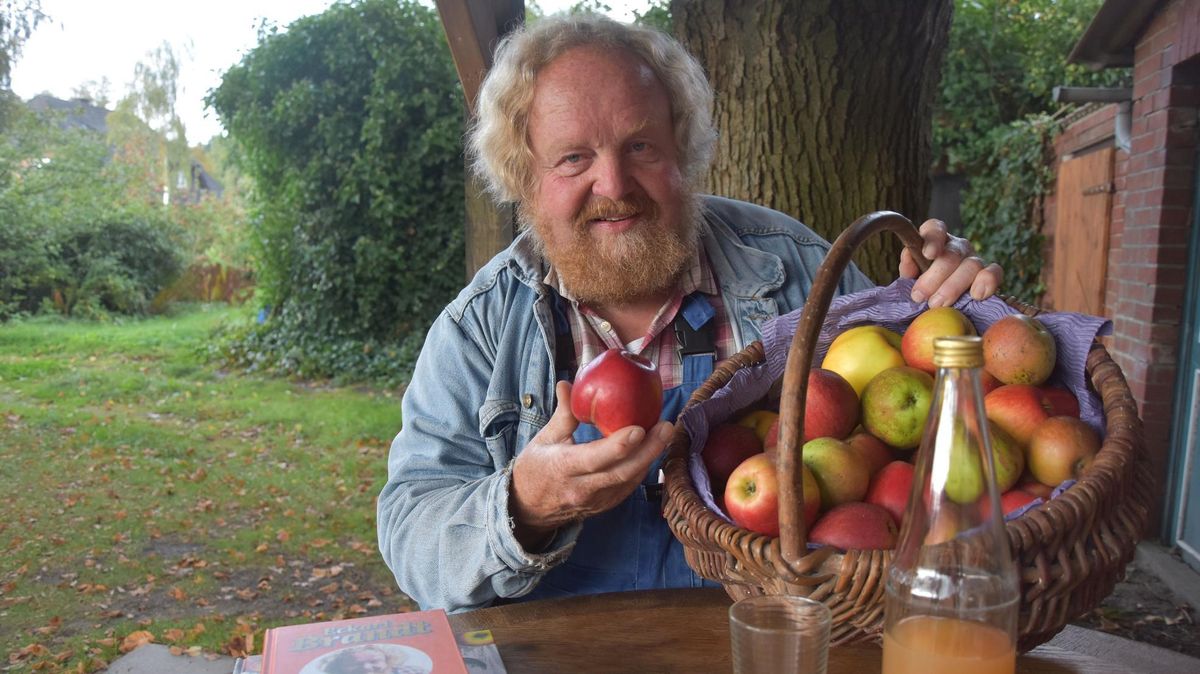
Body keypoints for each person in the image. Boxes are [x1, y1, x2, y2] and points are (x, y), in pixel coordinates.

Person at [376, 13, 1002, 613]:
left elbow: (939, 423)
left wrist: (956, 306)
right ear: (524, 178)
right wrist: (525, 504)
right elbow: (411, 536)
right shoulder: (480, 328)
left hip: (762, 645)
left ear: (683, 151)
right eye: (573, 158)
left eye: (641, 146)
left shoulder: (797, 271)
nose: (614, 185)